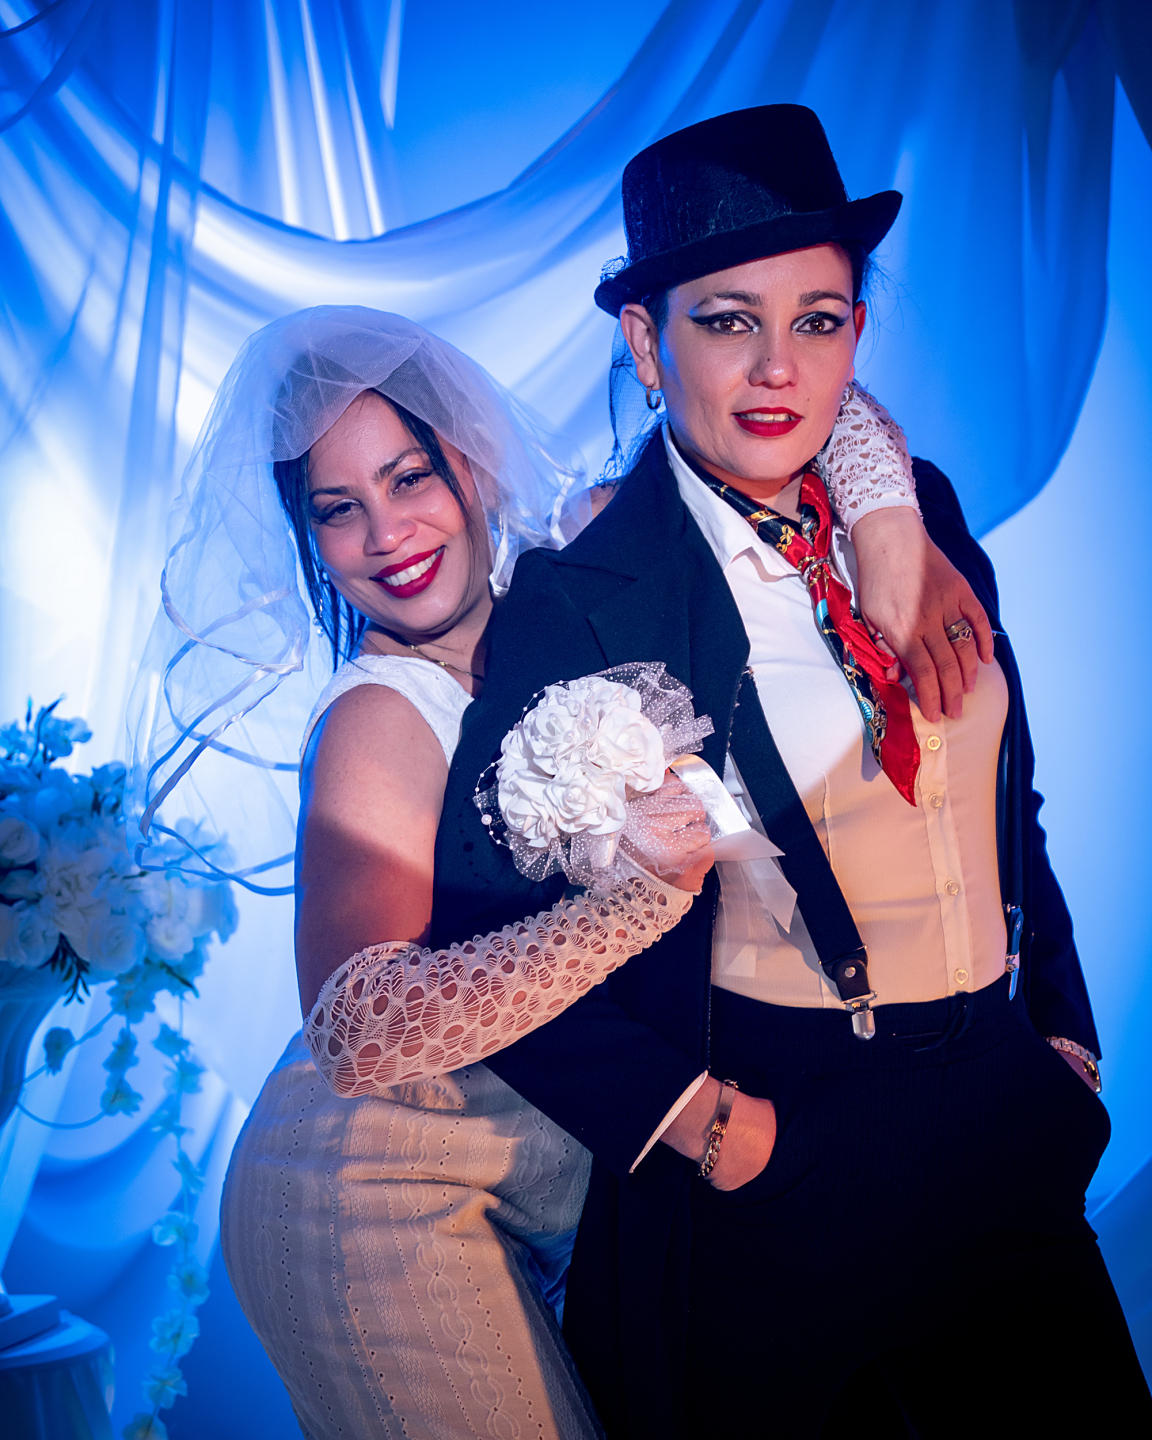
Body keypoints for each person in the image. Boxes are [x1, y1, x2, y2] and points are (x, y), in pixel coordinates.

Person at [431, 106, 1152, 1437]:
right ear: (645, 341)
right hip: (785, 1146)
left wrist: (1064, 1047)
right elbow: (477, 937)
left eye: (817, 320)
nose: (778, 367)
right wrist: (707, 1127)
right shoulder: (582, 599)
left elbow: (1012, 807)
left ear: (856, 334)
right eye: (727, 321)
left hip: (1004, 1114)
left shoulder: (920, 517)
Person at [132, 305, 941, 1439]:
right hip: (368, 1186)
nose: (387, 533)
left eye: (408, 478)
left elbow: (788, 411)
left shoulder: (577, 580)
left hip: (535, 1179)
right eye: (337, 509)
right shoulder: (379, 715)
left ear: (467, 459)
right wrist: (640, 903)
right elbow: (358, 1025)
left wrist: (899, 535)